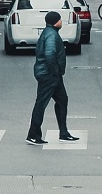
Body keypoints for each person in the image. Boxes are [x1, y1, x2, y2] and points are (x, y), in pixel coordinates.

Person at [26, 11, 78, 145]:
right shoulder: (52, 35)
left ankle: (64, 133)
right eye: (60, 20)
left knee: (62, 100)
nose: (62, 22)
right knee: (41, 103)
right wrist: (56, 72)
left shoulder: (48, 32)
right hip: (49, 75)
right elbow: (50, 54)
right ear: (56, 21)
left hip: (50, 74)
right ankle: (33, 135)